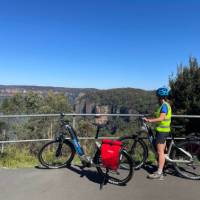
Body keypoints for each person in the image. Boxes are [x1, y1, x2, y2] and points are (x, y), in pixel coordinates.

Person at [143, 86, 172, 180]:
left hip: (162, 132)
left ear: (160, 97)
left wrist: (150, 121)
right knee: (162, 151)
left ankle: (159, 173)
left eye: (157, 96)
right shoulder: (164, 105)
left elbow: (161, 118)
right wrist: (149, 117)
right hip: (163, 130)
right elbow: (158, 115)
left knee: (160, 153)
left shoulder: (164, 106)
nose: (156, 98)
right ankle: (161, 168)